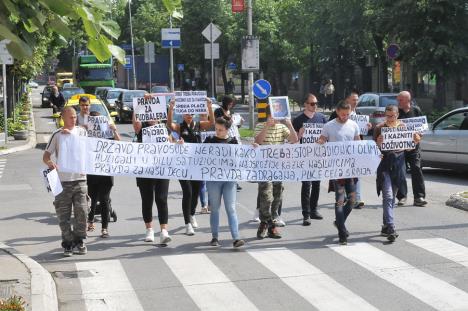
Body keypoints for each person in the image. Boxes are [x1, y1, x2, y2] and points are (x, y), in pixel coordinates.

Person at [42, 107, 88, 256]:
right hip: (62, 182)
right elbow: (46, 156)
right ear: (63, 118)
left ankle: (80, 240)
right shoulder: (57, 135)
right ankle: (68, 243)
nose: (73, 120)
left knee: (82, 212)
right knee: (64, 217)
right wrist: (50, 163)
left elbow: (88, 150)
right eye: (70, 117)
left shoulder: (82, 132)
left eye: (75, 117)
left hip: (80, 179)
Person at [167, 97, 215, 235]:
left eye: (191, 114)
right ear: (183, 114)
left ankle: (192, 214)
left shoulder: (199, 125)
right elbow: (170, 124)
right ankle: (187, 223)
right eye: (186, 114)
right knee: (187, 192)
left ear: (193, 115)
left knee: (195, 192)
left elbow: (211, 123)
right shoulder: (180, 127)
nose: (189, 116)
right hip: (183, 166)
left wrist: (209, 106)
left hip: (197, 165)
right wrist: (171, 107)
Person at [374, 105, 421, 242]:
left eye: (392, 116)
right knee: (388, 196)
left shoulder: (404, 127)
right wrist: (377, 143)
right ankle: (391, 227)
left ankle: (385, 225)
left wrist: (415, 141)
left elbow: (409, 147)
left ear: (397, 115)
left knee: (392, 197)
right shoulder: (379, 128)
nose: (389, 118)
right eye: (387, 116)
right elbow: (371, 149)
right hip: (384, 166)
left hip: (398, 165)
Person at [318, 101, 360, 245]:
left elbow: (358, 143)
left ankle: (339, 222)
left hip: (351, 168)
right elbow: (322, 140)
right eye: (342, 114)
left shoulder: (353, 125)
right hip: (336, 169)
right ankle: (342, 233)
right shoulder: (329, 126)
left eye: (347, 114)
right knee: (340, 201)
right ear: (337, 111)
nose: (345, 117)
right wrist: (320, 142)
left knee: (352, 200)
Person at [254, 106, 298, 239]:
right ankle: (265, 223)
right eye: (272, 116)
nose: (275, 119)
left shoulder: (282, 127)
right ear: (268, 116)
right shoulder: (260, 126)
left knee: (277, 196)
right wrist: (267, 126)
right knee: (265, 197)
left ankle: (271, 223)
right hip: (264, 168)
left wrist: (289, 125)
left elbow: (294, 140)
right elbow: (257, 141)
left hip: (278, 168)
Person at [204, 117, 245, 248]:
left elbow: (241, 157)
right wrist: (182, 145)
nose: (217, 132)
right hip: (213, 180)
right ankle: (215, 237)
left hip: (229, 180)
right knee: (215, 208)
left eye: (220, 130)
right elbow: (197, 153)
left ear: (227, 129)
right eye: (216, 129)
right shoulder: (209, 141)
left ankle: (236, 237)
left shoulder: (233, 142)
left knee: (231, 208)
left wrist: (253, 148)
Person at [132, 112, 173, 244]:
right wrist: (139, 105)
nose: (152, 118)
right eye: (149, 115)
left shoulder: (164, 128)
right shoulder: (142, 128)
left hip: (161, 169)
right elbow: (135, 124)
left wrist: (177, 143)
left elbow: (171, 143)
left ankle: (164, 231)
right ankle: (149, 229)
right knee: (147, 199)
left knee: (162, 199)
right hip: (145, 170)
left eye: (155, 115)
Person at [329, 91, 369, 209]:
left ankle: (357, 198)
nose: (355, 102)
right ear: (347, 101)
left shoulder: (360, 115)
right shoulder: (335, 115)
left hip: (355, 150)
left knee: (355, 174)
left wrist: (367, 128)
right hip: (339, 154)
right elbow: (330, 129)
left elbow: (360, 134)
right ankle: (343, 200)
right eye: (353, 100)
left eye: (357, 100)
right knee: (342, 177)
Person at [293, 94, 327, 225]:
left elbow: (326, 136)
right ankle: (305, 214)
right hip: (304, 157)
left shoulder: (321, 118)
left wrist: (323, 141)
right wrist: (299, 135)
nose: (315, 106)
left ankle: (314, 210)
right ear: (305, 104)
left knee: (317, 184)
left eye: (316, 103)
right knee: (306, 185)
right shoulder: (298, 120)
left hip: (317, 156)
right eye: (312, 103)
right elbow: (293, 141)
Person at [86, 111, 120, 238]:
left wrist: (114, 130)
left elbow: (119, 143)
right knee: (92, 200)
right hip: (92, 172)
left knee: (105, 200)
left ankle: (104, 228)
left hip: (106, 172)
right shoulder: (87, 136)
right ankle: (90, 222)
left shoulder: (108, 134)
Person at [396, 91, 427, 207]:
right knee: (400, 171)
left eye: (401, 100)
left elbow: (422, 128)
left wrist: (418, 137)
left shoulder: (416, 111)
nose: (398, 102)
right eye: (398, 100)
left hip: (414, 147)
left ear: (408, 101)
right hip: (400, 148)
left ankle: (419, 196)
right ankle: (402, 196)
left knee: (416, 168)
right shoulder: (396, 112)